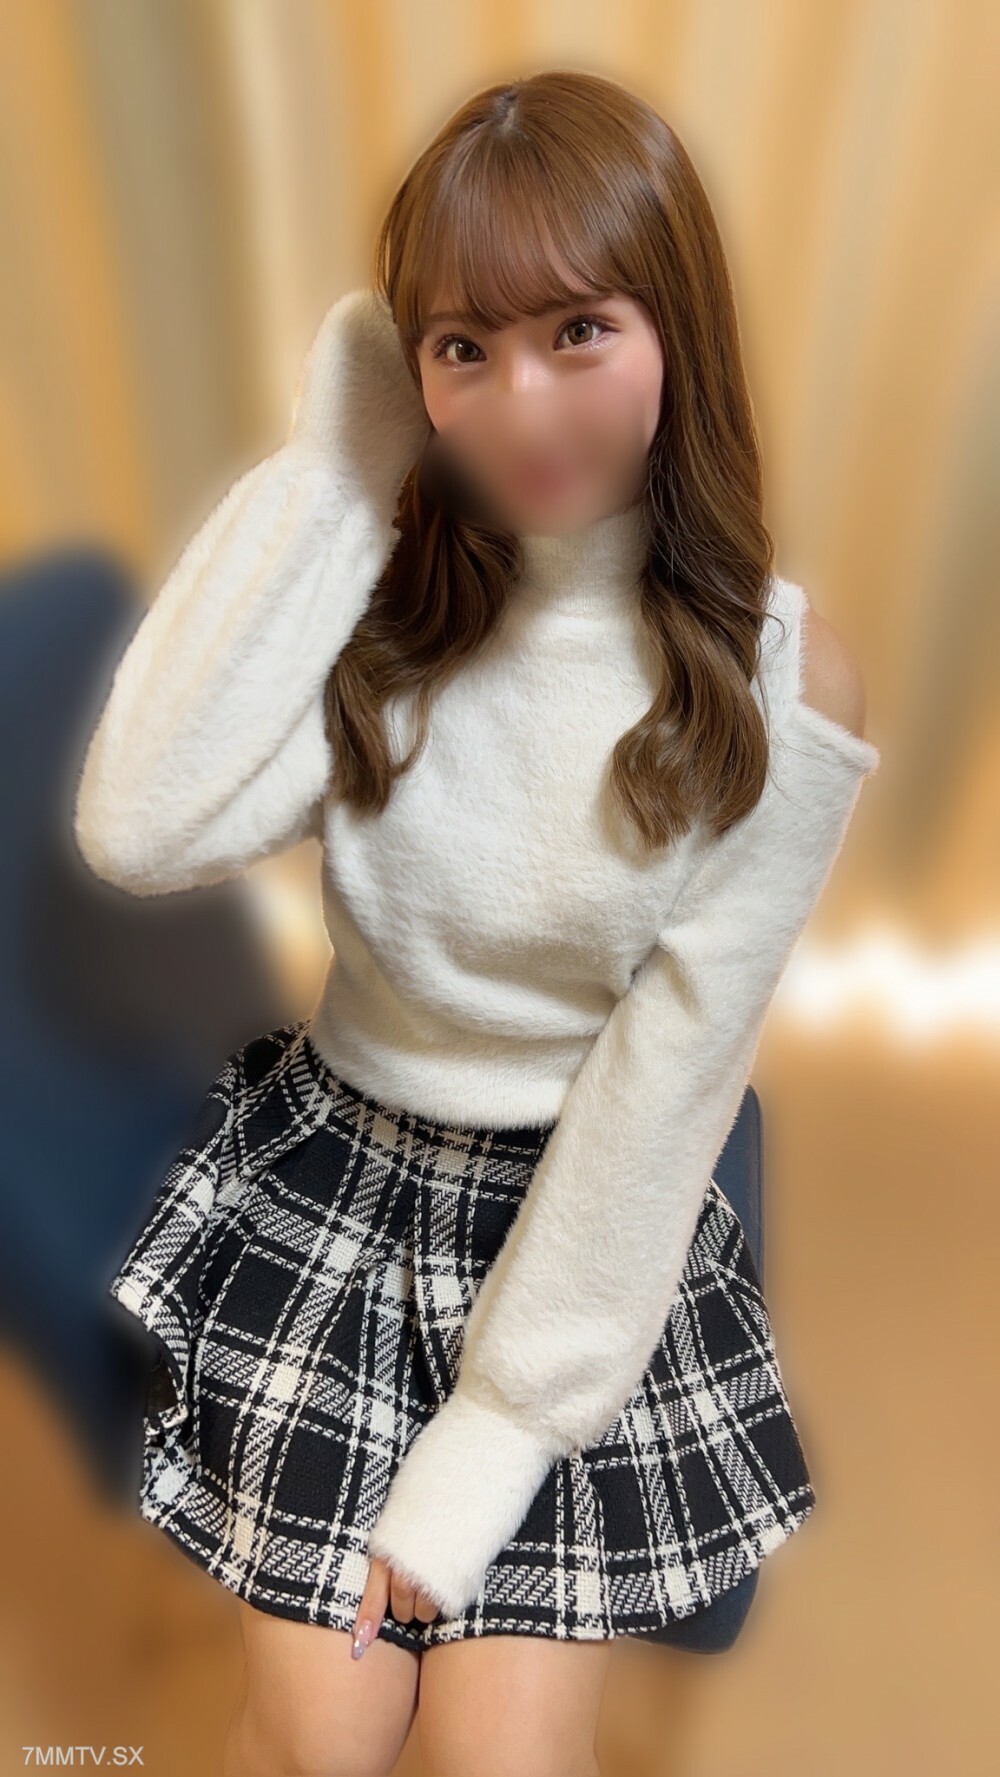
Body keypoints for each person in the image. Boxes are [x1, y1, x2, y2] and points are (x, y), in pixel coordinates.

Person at [73, 69, 880, 1777]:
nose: (521, 406)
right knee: (321, 1734)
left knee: (500, 1758)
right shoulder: (389, 605)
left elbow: (670, 1078)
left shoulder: (782, 682)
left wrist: (494, 1436)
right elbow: (139, 823)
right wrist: (335, 466)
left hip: (578, 1229)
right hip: (346, 1194)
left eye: (579, 330)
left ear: (676, 324)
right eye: (463, 347)